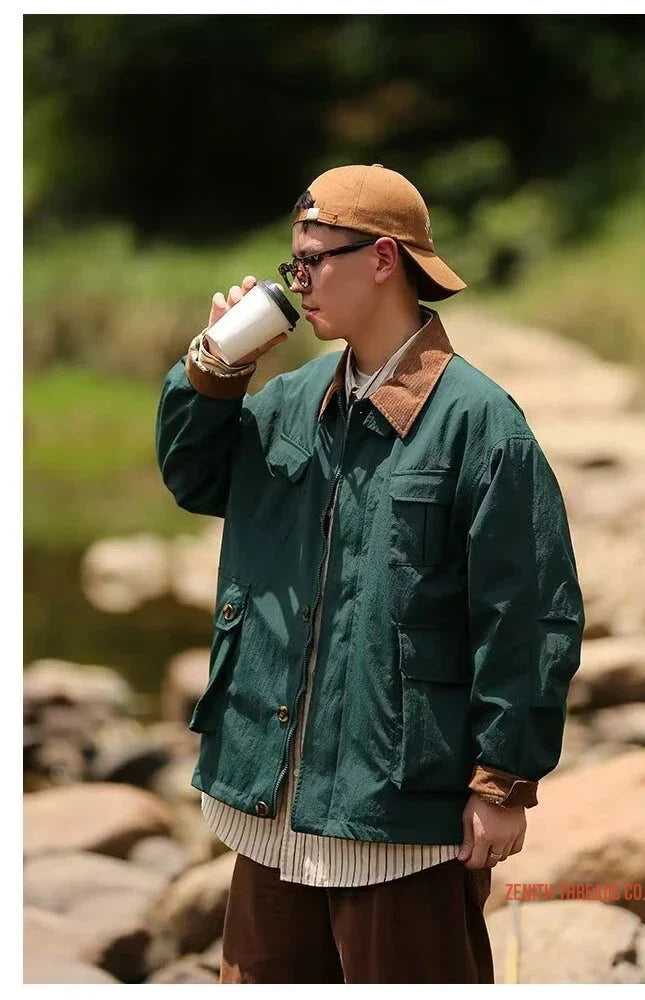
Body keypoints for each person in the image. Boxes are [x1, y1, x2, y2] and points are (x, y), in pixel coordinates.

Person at [155, 164, 585, 983]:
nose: (298, 283)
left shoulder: (479, 422)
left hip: (396, 804)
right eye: (295, 264)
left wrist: (502, 781)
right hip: (272, 796)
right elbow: (194, 478)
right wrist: (215, 363)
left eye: (313, 260)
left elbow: (528, 612)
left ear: (384, 259)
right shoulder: (290, 400)